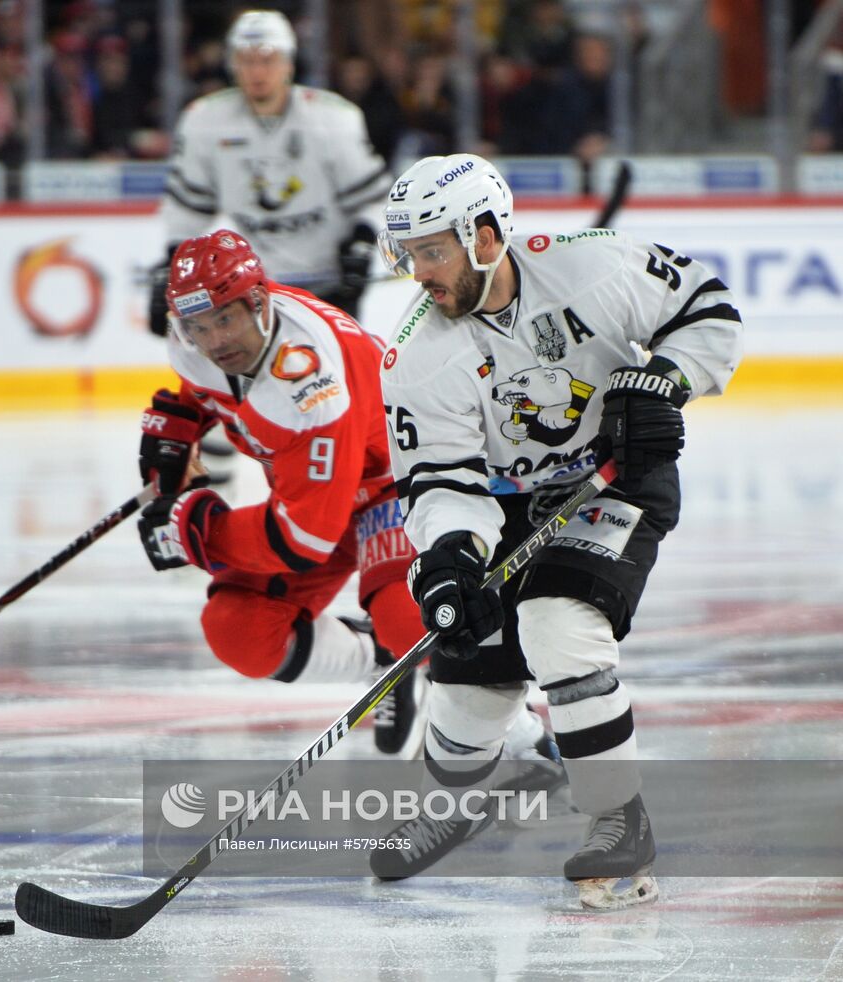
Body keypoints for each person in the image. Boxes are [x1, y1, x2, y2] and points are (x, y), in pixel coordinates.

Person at [371, 154, 743, 908]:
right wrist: (450, 558)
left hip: (617, 478)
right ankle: (458, 800)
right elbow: (443, 483)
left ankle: (618, 820)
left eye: (433, 250)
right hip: (506, 503)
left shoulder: (593, 266)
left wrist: (664, 381)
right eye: (409, 253)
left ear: (485, 235)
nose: (420, 273)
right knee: (471, 648)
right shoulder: (416, 356)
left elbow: (707, 308)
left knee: (557, 621)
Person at [136, 229, 561, 774]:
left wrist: (199, 530)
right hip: (318, 492)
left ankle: (520, 736)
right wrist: (175, 426)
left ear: (260, 302)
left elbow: (303, 541)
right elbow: (202, 393)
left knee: (413, 618)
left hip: (393, 479)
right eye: (198, 326)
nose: (214, 341)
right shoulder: (199, 341)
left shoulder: (312, 387)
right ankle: (383, 664)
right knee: (238, 631)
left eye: (225, 320)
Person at [150, 10, 389, 330]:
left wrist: (360, 244)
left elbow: (375, 199)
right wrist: (174, 264)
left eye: (268, 59)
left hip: (331, 285)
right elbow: (187, 210)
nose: (257, 71)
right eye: (246, 60)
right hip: (255, 289)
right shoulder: (204, 122)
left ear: (289, 63)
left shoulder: (332, 119)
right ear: (232, 65)